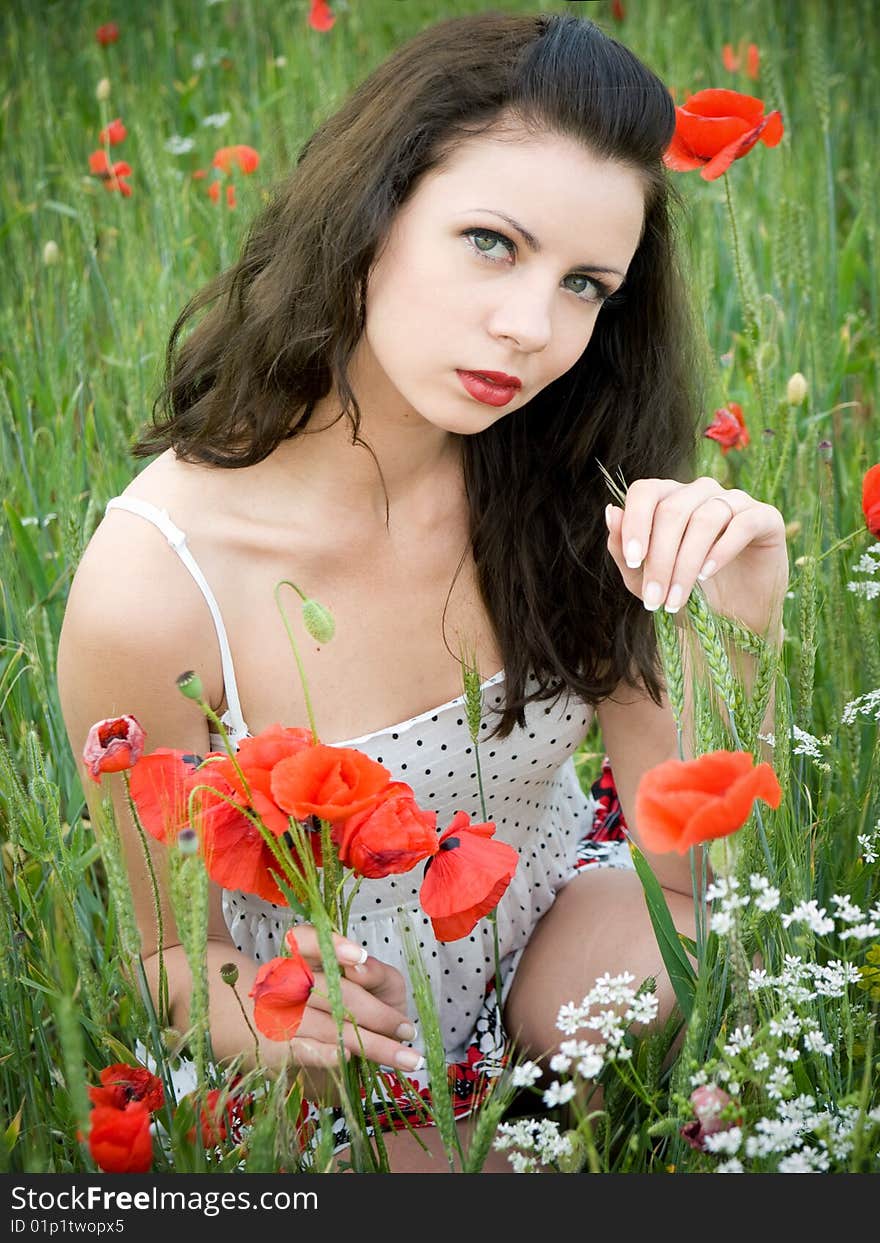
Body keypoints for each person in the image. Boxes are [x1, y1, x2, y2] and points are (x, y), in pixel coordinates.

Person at [56, 11, 788, 1173]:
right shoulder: (158, 584)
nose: (531, 328)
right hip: (353, 1040)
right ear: (371, 214)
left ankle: (585, 1120)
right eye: (492, 242)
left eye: (586, 283)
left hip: (556, 932)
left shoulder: (564, 472)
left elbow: (685, 868)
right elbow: (166, 962)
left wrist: (732, 626)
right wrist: (278, 1013)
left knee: (668, 976)